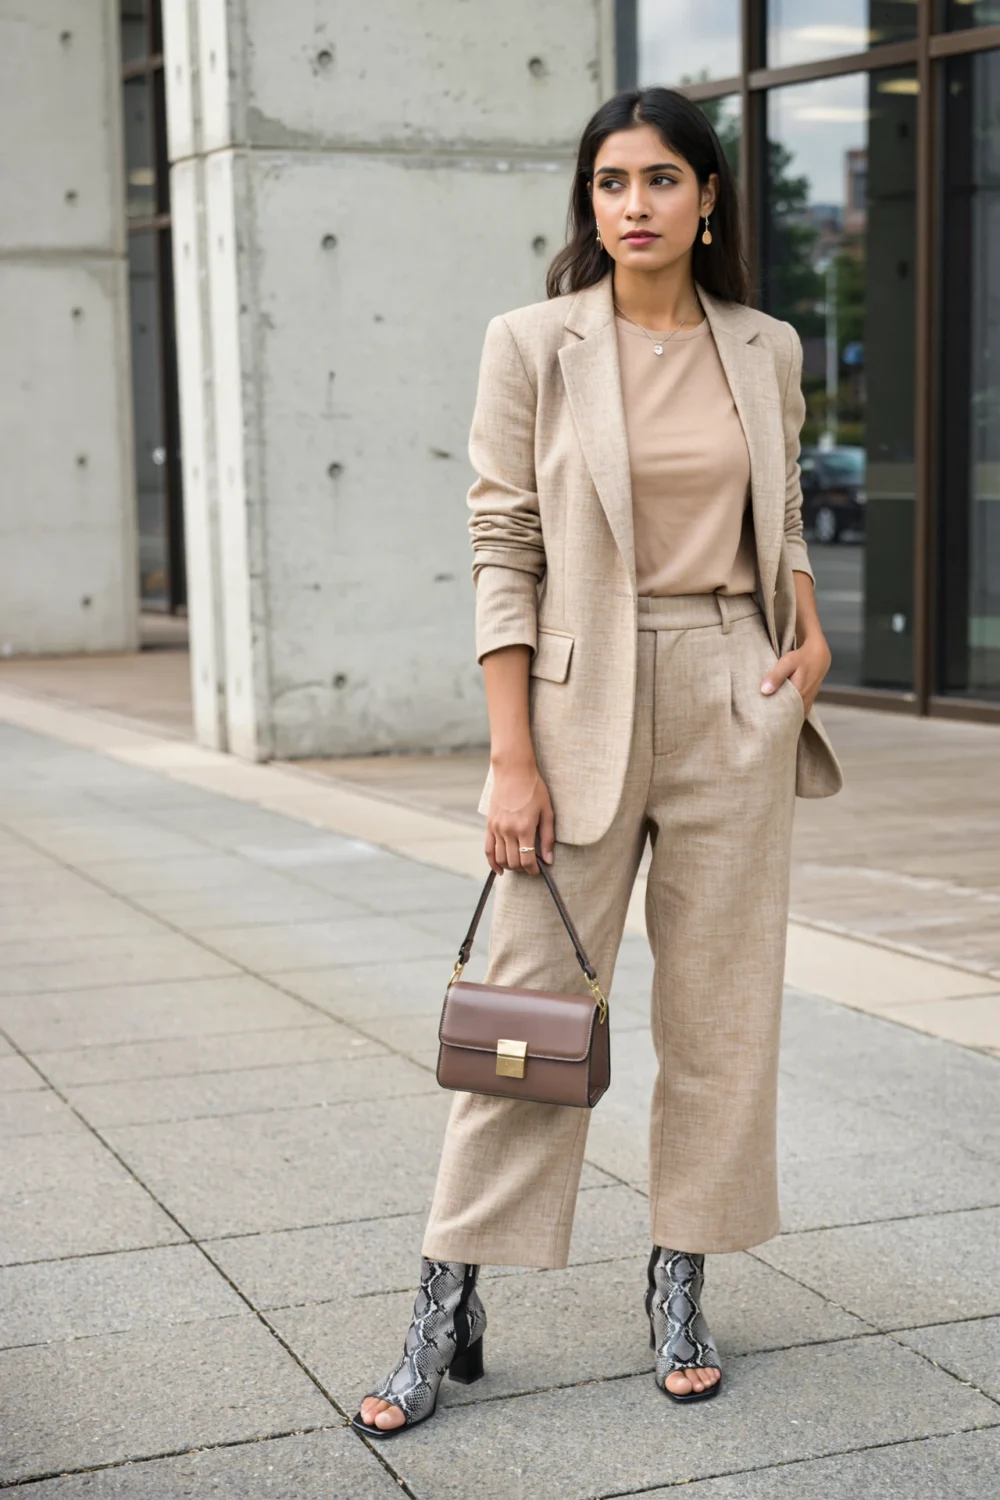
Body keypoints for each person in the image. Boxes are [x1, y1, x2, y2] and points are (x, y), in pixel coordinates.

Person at [352, 84, 843, 1439]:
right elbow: (501, 545)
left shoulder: (767, 346)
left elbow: (781, 511)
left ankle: (679, 1280)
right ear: (590, 200)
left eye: (663, 181)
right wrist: (510, 758)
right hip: (574, 705)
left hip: (729, 694)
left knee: (721, 1018)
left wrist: (802, 636)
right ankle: (443, 1298)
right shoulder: (533, 343)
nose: (635, 205)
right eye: (613, 182)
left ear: (709, 198)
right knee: (522, 1020)